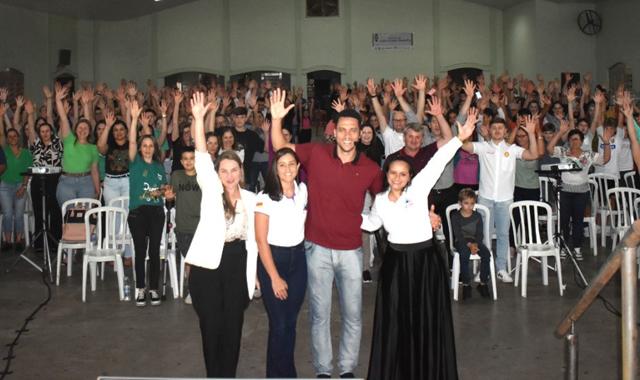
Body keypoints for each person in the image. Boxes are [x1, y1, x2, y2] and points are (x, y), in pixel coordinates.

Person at [270, 87, 383, 379]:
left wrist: (423, 212)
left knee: (353, 316)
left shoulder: (370, 169)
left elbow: (389, 198)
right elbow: (281, 147)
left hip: (351, 251)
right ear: (335, 131)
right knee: (319, 316)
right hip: (316, 248)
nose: (347, 135)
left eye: (353, 130)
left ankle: (346, 370)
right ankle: (323, 370)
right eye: (342, 129)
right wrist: (276, 119)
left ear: (359, 134)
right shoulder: (317, 153)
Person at [361, 110, 477, 380]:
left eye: (403, 174)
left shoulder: (418, 189)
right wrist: (341, 213)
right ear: (387, 173)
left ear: (409, 175)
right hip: (395, 264)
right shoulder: (379, 200)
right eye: (393, 173)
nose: (398, 177)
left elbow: (438, 161)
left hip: (425, 260)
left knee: (426, 318)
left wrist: (459, 139)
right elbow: (371, 224)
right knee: (397, 321)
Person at [185, 92, 258, 378]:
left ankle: (228, 375)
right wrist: (199, 118)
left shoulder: (253, 199)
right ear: (218, 173)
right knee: (211, 326)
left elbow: (256, 241)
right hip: (207, 268)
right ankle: (213, 375)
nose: (228, 175)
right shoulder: (211, 191)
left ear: (241, 172)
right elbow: (202, 155)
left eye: (233, 170)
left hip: (237, 264)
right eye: (223, 170)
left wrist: (255, 274)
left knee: (233, 327)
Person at [460, 114, 539, 283]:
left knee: (503, 234)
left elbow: (533, 155)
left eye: (500, 128)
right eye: (494, 128)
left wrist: (532, 133)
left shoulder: (512, 149)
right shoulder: (482, 147)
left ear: (505, 131)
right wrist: (466, 130)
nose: (497, 131)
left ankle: (501, 268)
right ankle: (485, 268)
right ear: (489, 130)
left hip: (505, 200)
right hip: (485, 199)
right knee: (484, 236)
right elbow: (464, 145)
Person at [255, 147, 308, 378]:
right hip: (273, 260)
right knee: (279, 324)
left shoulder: (303, 191)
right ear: (275, 169)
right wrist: (274, 277)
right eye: (282, 164)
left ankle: (283, 373)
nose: (287, 169)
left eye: (291, 164)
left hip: (298, 260)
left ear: (298, 168)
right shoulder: (264, 198)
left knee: (290, 323)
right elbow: (260, 240)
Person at [547, 122, 612, 260]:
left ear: (582, 141)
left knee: (578, 221)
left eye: (577, 139)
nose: (574, 141)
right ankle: (563, 247)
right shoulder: (563, 152)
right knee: (564, 221)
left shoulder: (588, 155)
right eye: (571, 139)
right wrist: (559, 132)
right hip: (564, 191)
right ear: (568, 141)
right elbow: (549, 149)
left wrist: (606, 143)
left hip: (581, 192)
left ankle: (577, 249)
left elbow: (605, 159)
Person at [127, 101, 168, 307]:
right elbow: (132, 143)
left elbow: (164, 190)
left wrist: (164, 192)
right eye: (144, 145)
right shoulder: (135, 162)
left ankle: (153, 289)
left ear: (155, 148)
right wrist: (134, 119)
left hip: (156, 212)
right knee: (140, 249)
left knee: (154, 252)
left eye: (151, 145)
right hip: (137, 212)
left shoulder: (160, 167)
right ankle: (140, 288)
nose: (147, 148)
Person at [165, 146, 202, 304]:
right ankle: (193, 290)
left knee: (203, 259)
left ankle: (203, 288)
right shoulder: (177, 175)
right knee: (190, 259)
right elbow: (170, 201)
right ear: (181, 161)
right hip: (184, 226)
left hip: (202, 225)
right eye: (185, 159)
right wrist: (168, 197)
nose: (188, 161)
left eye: (191, 158)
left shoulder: (203, 176)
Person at [54, 83, 100, 206]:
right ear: (75, 129)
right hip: (66, 182)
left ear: (89, 131)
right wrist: (58, 100)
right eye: (80, 127)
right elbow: (64, 118)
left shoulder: (93, 148)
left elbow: (95, 171)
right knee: (69, 216)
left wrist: (97, 189)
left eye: (86, 128)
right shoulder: (69, 139)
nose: (82, 129)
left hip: (86, 182)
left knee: (85, 217)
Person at [450, 188, 491, 300]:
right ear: (460, 203)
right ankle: (466, 284)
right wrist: (469, 245)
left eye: (472, 203)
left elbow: (479, 234)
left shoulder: (477, 216)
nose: (469, 206)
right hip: (461, 242)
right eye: (466, 203)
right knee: (464, 254)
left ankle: (483, 283)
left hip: (476, 242)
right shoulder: (455, 217)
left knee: (487, 254)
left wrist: (476, 244)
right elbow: (458, 235)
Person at [0, 126, 31, 250]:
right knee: (7, 214)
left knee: (18, 214)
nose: (12, 138)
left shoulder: (26, 153)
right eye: (10, 136)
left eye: (15, 136)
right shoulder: (3, 151)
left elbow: (28, 171)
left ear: (18, 137)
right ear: (7, 139)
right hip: (5, 185)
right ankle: (7, 241)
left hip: (20, 185)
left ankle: (18, 240)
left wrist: (24, 186)